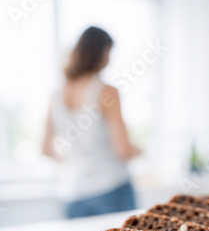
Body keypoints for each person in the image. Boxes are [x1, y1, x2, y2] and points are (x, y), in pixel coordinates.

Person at [42, 26, 140, 218]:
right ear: (100, 52)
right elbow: (123, 151)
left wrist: (76, 162)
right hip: (111, 190)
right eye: (109, 52)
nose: (110, 59)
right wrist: (140, 150)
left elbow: (45, 149)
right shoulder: (106, 92)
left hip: (73, 192)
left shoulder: (56, 96)